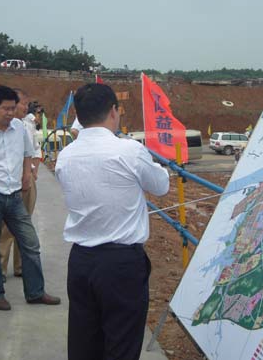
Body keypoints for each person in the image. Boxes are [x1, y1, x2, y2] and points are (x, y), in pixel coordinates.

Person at [55, 83, 170, 360]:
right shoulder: (128, 150)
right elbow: (161, 185)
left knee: (84, 343)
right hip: (121, 265)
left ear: (79, 115)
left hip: (81, 261)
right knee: (122, 345)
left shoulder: (65, 155)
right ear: (113, 111)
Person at [0, 85, 60, 311]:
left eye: (13, 108)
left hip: (15, 197)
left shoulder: (19, 128)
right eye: (5, 109)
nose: (10, 113)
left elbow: (28, 153)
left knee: (30, 243)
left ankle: (35, 292)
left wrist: (26, 174)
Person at [0, 89, 42, 279]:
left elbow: (34, 150)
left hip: (27, 178)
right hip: (9, 181)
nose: (26, 107)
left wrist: (32, 171)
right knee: (7, 227)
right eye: (23, 104)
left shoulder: (27, 125)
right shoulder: (2, 128)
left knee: (25, 224)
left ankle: (21, 266)